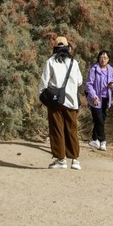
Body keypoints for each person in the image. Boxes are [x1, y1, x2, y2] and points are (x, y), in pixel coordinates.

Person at [40, 36, 83, 169]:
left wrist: (40, 98)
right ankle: (75, 160)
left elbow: (44, 82)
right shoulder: (74, 63)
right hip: (71, 101)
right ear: (67, 48)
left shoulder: (50, 62)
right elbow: (80, 81)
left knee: (57, 130)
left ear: (55, 48)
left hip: (55, 102)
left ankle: (61, 160)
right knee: (72, 130)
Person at [85, 49, 113, 151]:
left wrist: (112, 85)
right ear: (98, 58)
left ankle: (95, 139)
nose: (103, 60)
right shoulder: (94, 69)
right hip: (95, 99)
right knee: (99, 119)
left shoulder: (110, 69)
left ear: (108, 59)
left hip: (106, 98)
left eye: (105, 58)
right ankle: (103, 141)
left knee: (101, 119)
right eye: (101, 57)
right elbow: (89, 84)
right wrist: (94, 97)